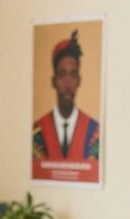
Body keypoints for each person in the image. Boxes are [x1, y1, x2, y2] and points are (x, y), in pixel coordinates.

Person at [32, 30, 100, 164]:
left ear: (79, 80)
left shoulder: (95, 132)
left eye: (73, 75)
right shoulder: (36, 133)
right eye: (62, 74)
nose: (67, 83)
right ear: (53, 81)